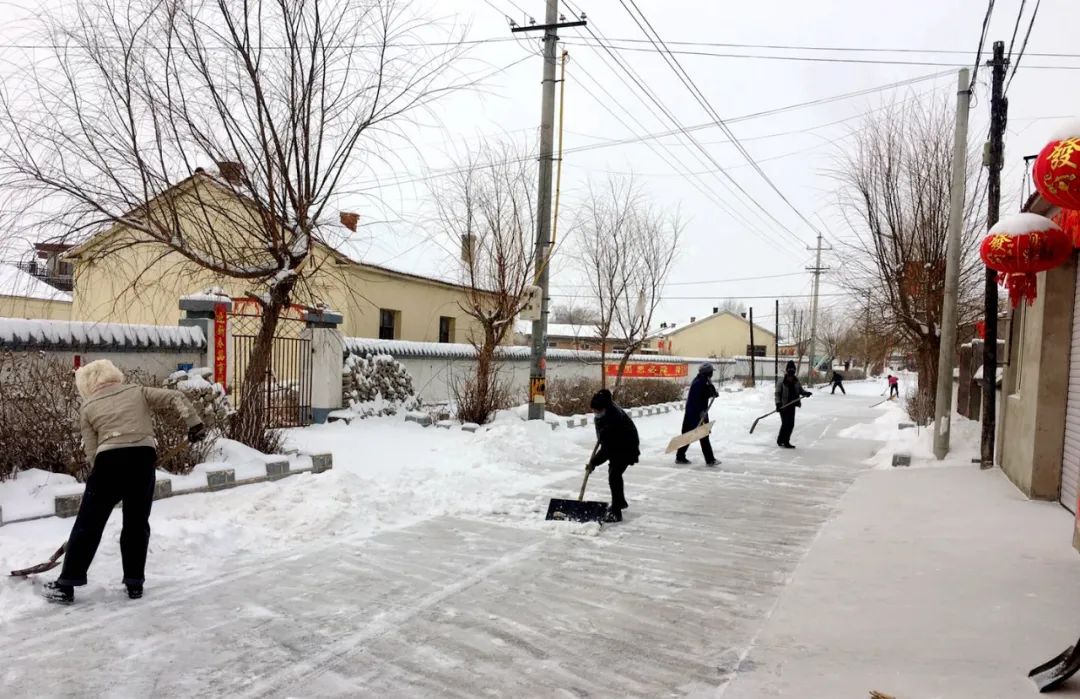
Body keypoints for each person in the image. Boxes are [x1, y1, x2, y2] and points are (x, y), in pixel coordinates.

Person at [44, 360, 205, 605]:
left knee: (88, 525)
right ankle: (134, 583)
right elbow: (174, 396)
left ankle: (67, 585)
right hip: (142, 459)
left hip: (108, 462)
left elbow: (91, 450)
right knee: (136, 522)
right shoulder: (136, 391)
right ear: (114, 375)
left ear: (86, 384)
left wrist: (98, 478)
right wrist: (195, 424)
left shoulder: (88, 407)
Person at [587, 389, 640, 523]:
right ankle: (620, 502)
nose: (596, 413)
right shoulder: (604, 413)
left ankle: (616, 512)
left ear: (605, 408)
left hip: (626, 447)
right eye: (594, 411)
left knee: (614, 475)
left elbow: (607, 449)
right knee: (614, 473)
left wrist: (594, 462)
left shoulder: (614, 419)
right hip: (617, 446)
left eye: (598, 411)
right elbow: (605, 442)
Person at [676, 363, 720, 466]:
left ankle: (680, 456)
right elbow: (701, 396)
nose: (712, 374)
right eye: (711, 372)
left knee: (688, 436)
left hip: (694, 413)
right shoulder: (700, 383)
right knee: (702, 436)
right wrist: (711, 393)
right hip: (697, 413)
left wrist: (712, 391)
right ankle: (710, 460)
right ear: (708, 373)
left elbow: (710, 391)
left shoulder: (702, 380)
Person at [775, 361, 812, 449]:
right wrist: (778, 404)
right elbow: (777, 394)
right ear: (787, 370)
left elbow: (800, 391)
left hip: (792, 405)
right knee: (785, 423)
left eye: (793, 369)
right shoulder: (781, 381)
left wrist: (806, 393)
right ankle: (782, 440)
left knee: (790, 424)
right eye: (789, 369)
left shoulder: (796, 381)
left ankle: (784, 440)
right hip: (783, 406)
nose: (791, 371)